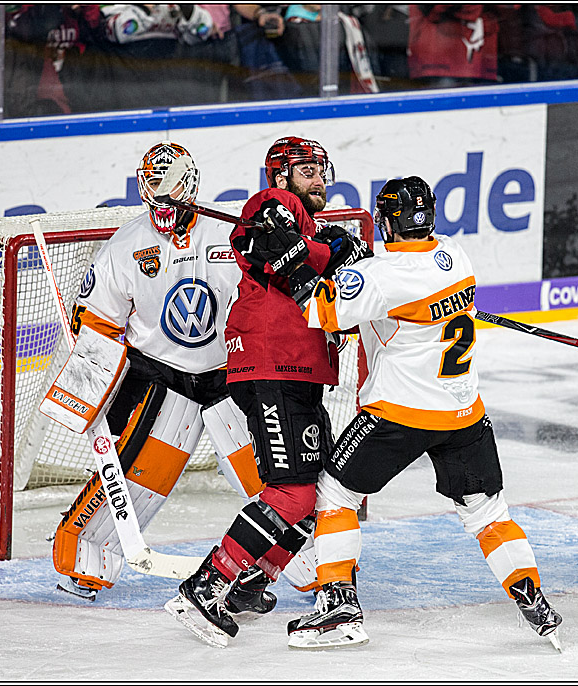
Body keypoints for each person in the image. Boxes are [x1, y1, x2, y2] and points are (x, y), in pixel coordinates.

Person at [284, 176, 563, 650]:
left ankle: (337, 608)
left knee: (336, 492)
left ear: (389, 221)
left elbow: (319, 308)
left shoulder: (381, 277)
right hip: (464, 412)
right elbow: (388, 292)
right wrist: (356, 264)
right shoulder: (454, 256)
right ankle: (533, 598)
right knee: (487, 512)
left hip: (400, 413)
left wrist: (290, 256)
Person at [165, 136, 372, 647]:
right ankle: (205, 586)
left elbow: (326, 284)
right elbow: (281, 258)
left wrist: (348, 260)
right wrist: (335, 251)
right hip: (271, 364)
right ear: (280, 176)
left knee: (319, 492)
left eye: (323, 169)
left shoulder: (307, 223)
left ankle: (252, 581)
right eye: (307, 171)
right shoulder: (270, 206)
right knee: (291, 491)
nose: (319, 178)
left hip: (299, 369)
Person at [51, 141, 270, 603]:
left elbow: (268, 296)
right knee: (136, 480)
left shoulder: (232, 235)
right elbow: (96, 322)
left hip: (230, 373)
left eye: (170, 194)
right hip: (160, 376)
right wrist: (86, 393)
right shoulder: (126, 246)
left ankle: (316, 573)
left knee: (270, 477)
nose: (162, 206)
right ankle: (86, 565)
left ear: (189, 187)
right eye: (153, 195)